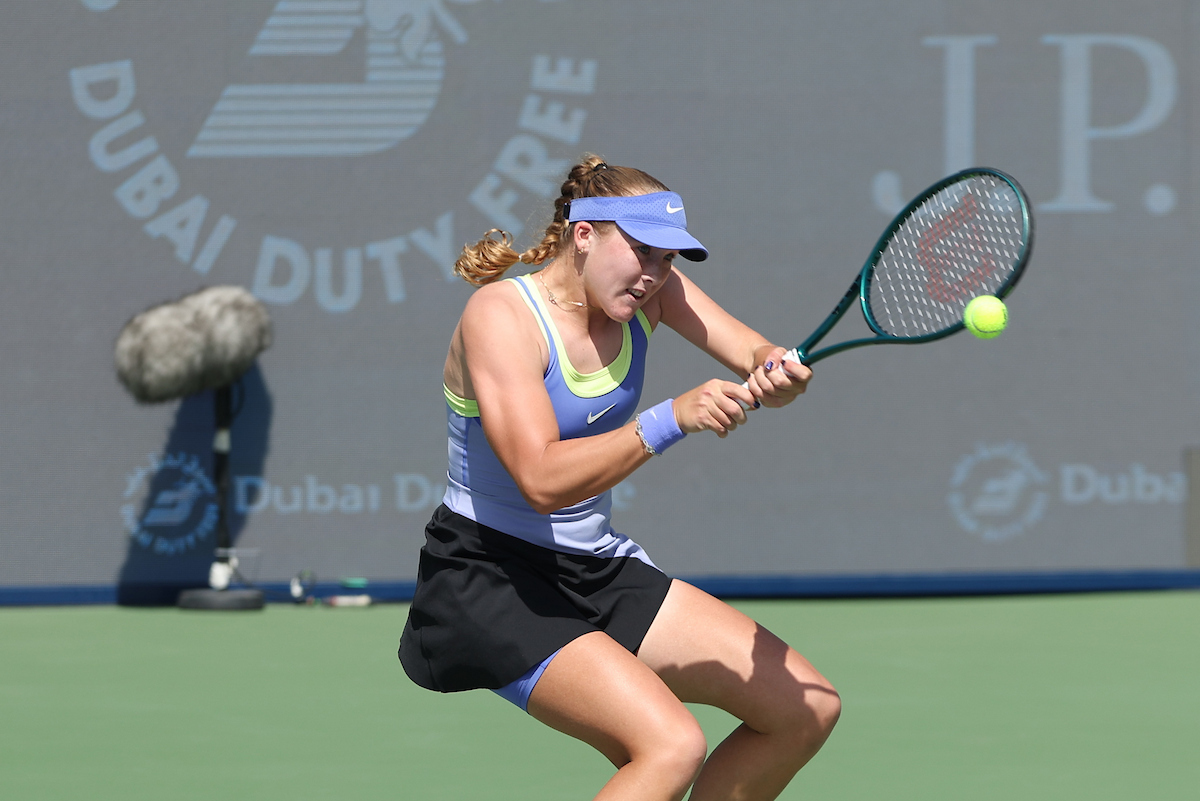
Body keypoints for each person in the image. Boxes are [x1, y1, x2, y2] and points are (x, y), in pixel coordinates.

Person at [399, 155, 840, 801]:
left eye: (668, 259)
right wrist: (670, 418)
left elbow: (752, 353)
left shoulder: (651, 293)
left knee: (806, 708)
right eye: (641, 251)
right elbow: (540, 480)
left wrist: (776, 372)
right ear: (585, 234)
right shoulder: (501, 317)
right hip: (491, 576)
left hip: (593, 565)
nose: (653, 273)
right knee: (671, 746)